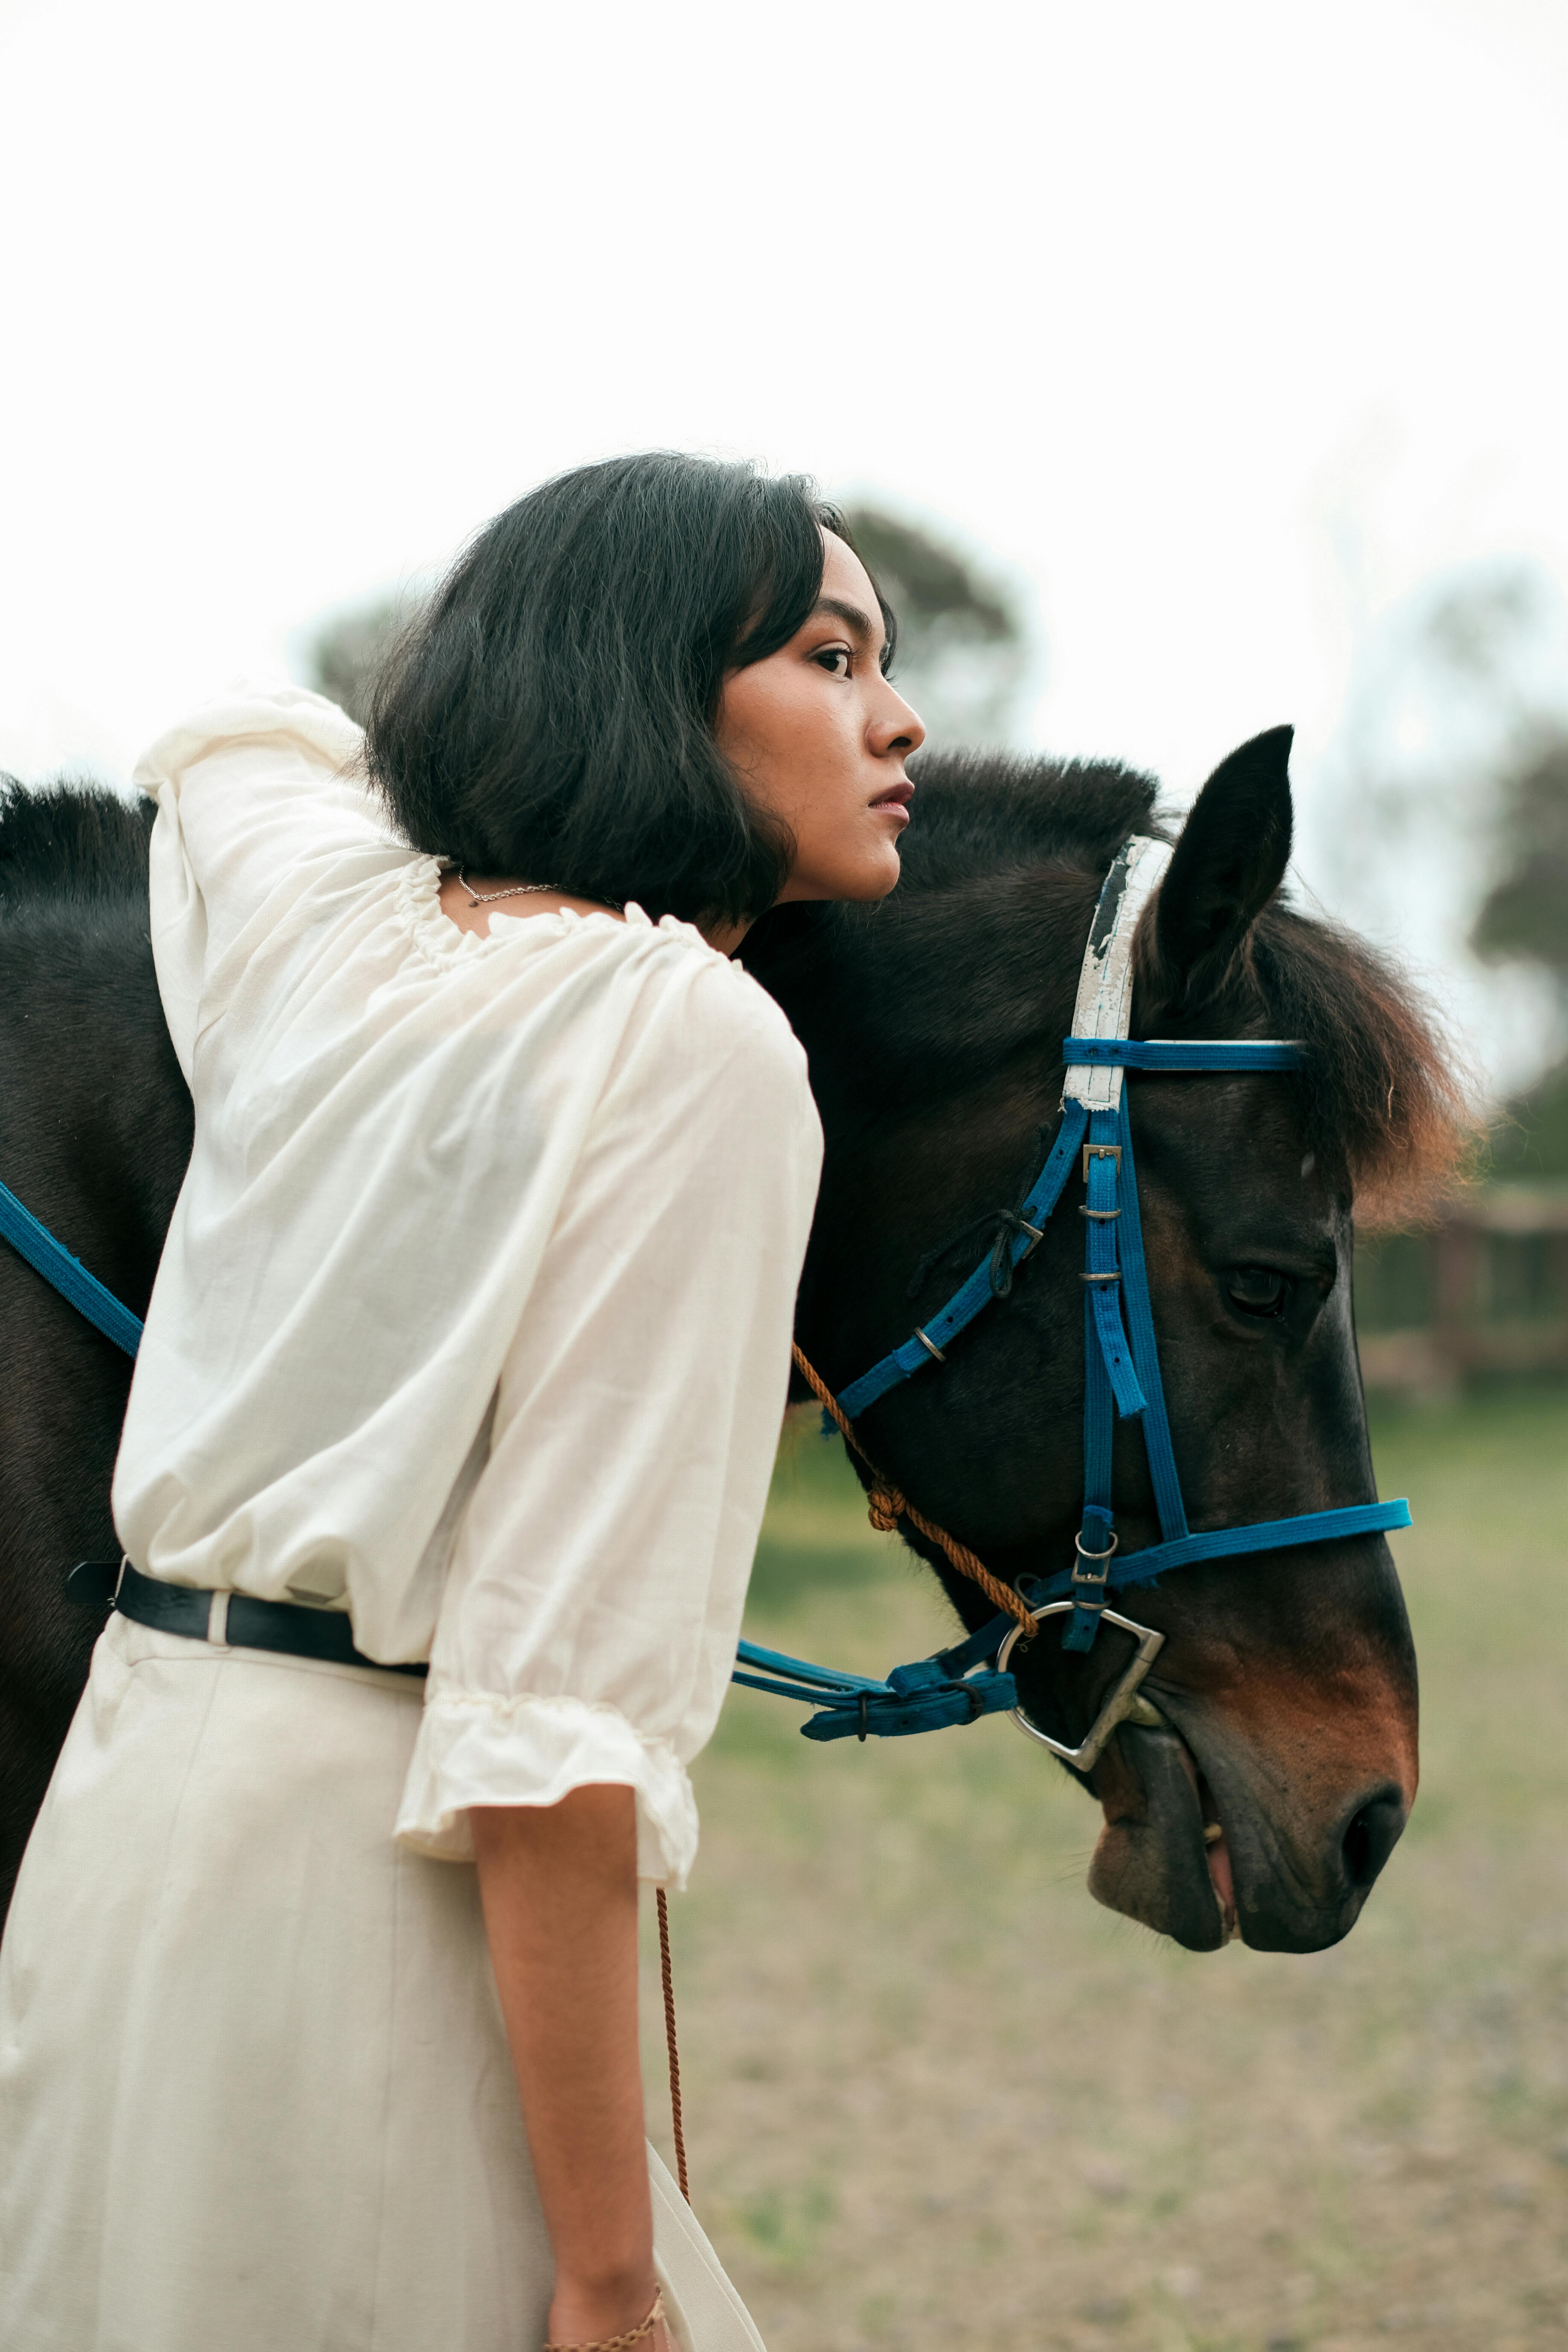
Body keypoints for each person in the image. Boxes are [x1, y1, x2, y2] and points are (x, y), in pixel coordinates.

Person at [0, 453, 924, 2352]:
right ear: (649, 687)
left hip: (126, 1826)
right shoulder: (693, 1040)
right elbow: (553, 1728)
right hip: (361, 1883)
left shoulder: (325, 937)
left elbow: (248, 754)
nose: (898, 720)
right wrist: (604, 2273)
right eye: (829, 656)